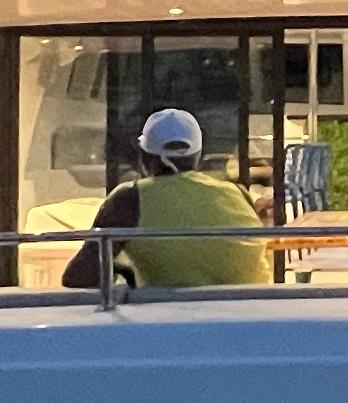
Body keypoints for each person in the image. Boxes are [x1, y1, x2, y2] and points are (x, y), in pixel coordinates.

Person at [59, 105, 267, 289]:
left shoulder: (129, 199)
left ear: (144, 157)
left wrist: (122, 271)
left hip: (174, 321)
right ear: (198, 156)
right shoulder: (237, 193)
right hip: (254, 315)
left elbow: (78, 278)